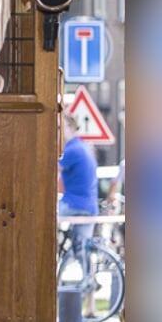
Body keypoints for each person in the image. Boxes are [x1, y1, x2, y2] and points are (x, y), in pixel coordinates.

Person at [58, 115, 100, 306]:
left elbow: (50, 171)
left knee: (39, 220)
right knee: (83, 251)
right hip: (90, 207)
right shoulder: (83, 147)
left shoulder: (72, 149)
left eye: (61, 127)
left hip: (73, 204)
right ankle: (90, 304)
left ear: (71, 128)